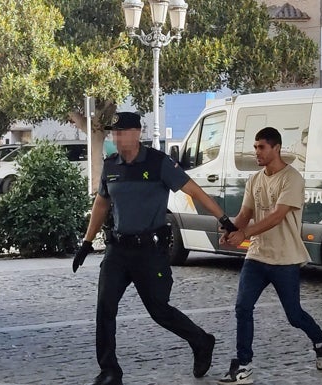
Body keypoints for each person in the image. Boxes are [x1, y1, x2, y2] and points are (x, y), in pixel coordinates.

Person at [72, 112, 238, 385]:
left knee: (159, 310)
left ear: (137, 132)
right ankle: (110, 370)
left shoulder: (159, 163)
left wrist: (223, 219)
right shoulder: (111, 165)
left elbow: (194, 191)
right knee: (104, 307)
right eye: (114, 132)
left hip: (149, 252)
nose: (117, 136)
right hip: (118, 251)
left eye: (122, 131)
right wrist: (87, 243)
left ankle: (201, 341)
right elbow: (102, 204)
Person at [217, 127, 322, 385]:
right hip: (257, 255)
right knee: (243, 307)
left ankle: (320, 339)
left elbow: (277, 216)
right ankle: (243, 364)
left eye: (261, 147)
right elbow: (246, 213)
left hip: (285, 258)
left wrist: (243, 232)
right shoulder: (255, 180)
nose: (256, 152)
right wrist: (232, 230)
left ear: (276, 148)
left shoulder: (292, 178)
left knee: (294, 316)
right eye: (255, 147)